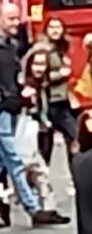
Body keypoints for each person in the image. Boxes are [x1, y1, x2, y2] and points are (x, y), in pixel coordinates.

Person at [0, 3, 58, 228]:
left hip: (9, 109)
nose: (16, 23)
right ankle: (34, 209)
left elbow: (13, 77)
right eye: (11, 19)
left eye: (17, 18)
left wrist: (19, 95)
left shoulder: (12, 45)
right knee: (14, 160)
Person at [13, 48, 67, 223]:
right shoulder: (27, 85)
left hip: (38, 132)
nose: (39, 68)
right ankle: (5, 197)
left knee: (39, 173)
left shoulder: (42, 83)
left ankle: (47, 210)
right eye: (36, 64)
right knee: (33, 172)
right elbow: (30, 110)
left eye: (43, 64)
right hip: (27, 133)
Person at [39, 17, 79, 168]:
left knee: (73, 141)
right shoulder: (42, 49)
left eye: (58, 27)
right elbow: (39, 76)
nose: (55, 31)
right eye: (52, 27)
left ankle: (78, 178)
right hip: (50, 101)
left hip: (66, 100)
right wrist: (61, 74)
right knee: (47, 146)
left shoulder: (63, 47)